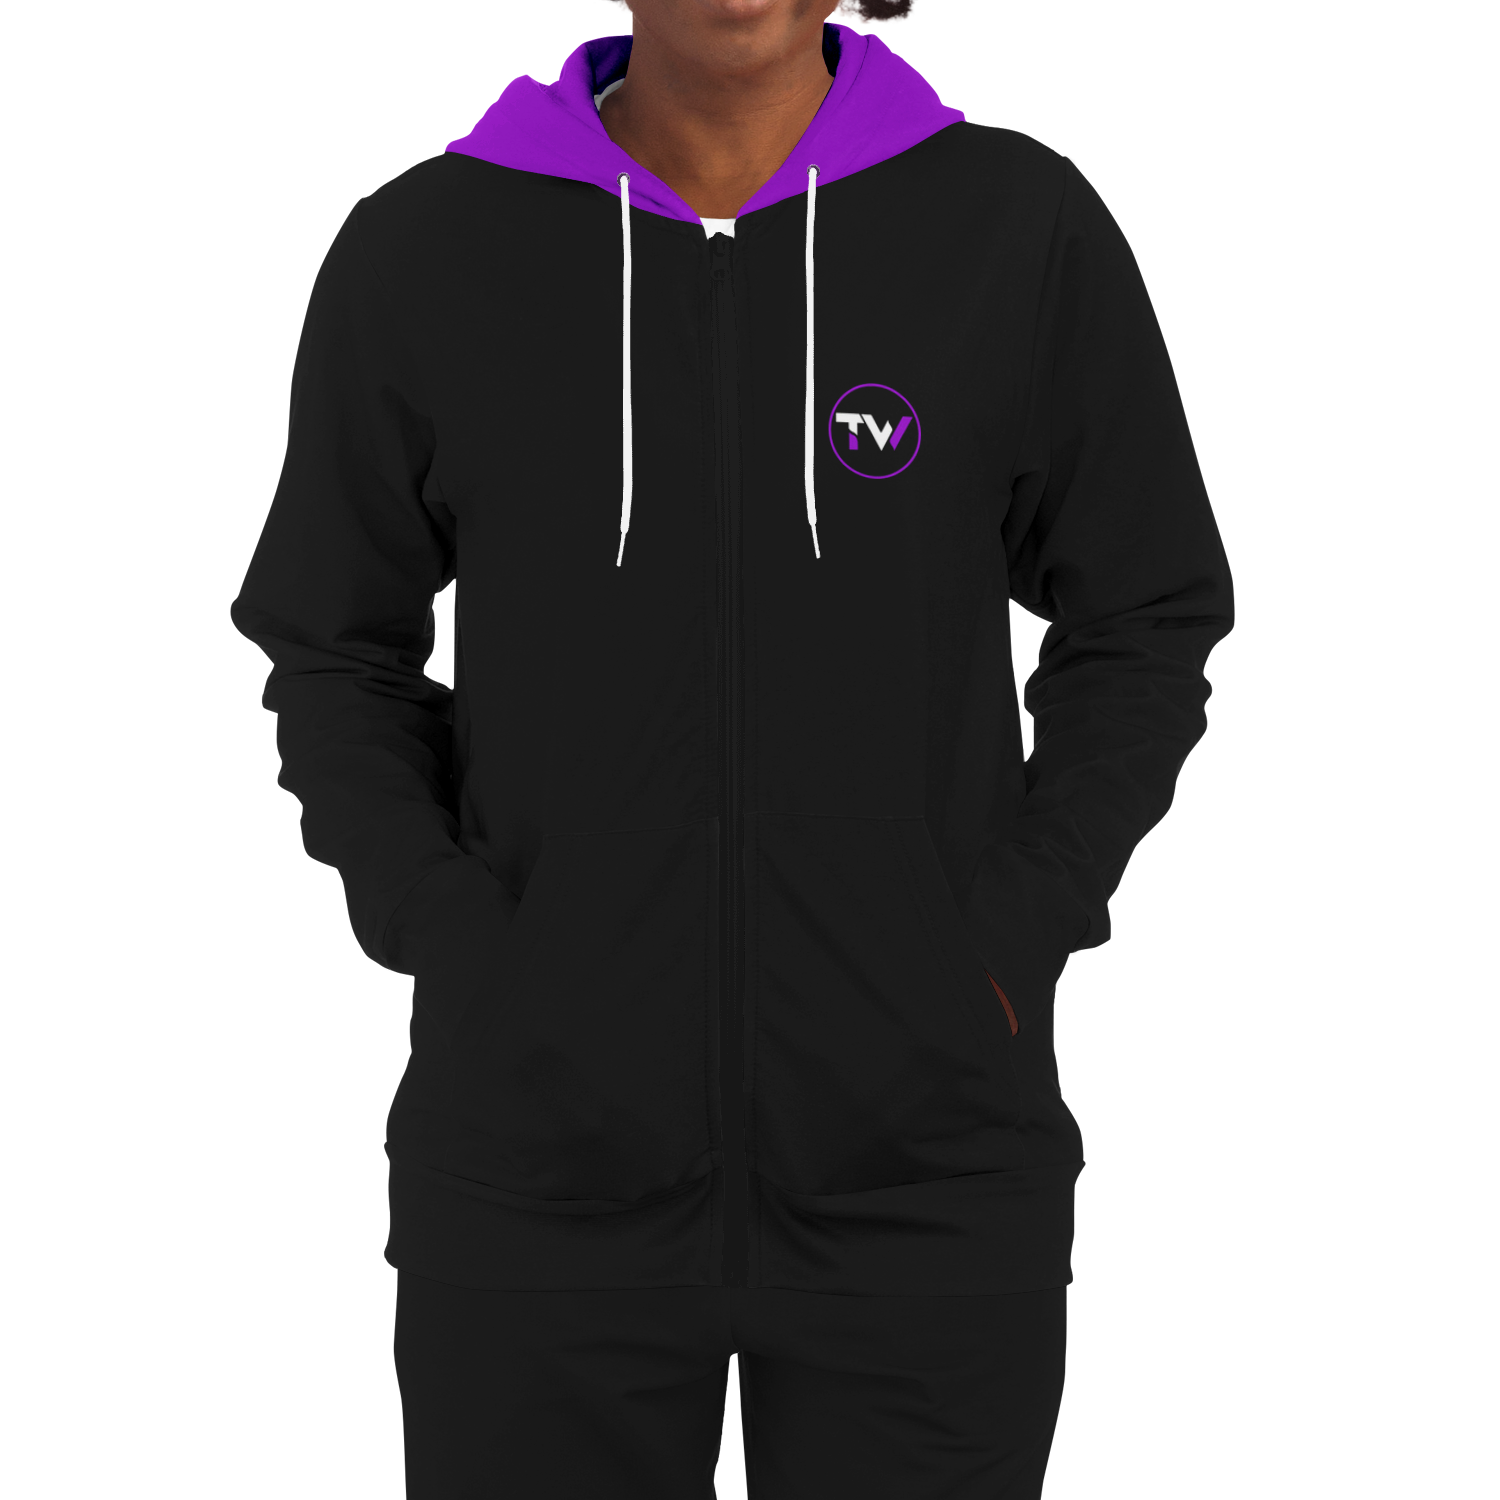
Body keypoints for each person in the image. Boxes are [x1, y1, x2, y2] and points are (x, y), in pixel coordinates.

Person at [230, 1, 1234, 1494]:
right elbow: (330, 642)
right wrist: (454, 937)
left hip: (929, 1178)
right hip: (533, 1184)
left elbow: (1148, 610)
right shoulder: (424, 244)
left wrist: (1012, 932)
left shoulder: (1016, 224)